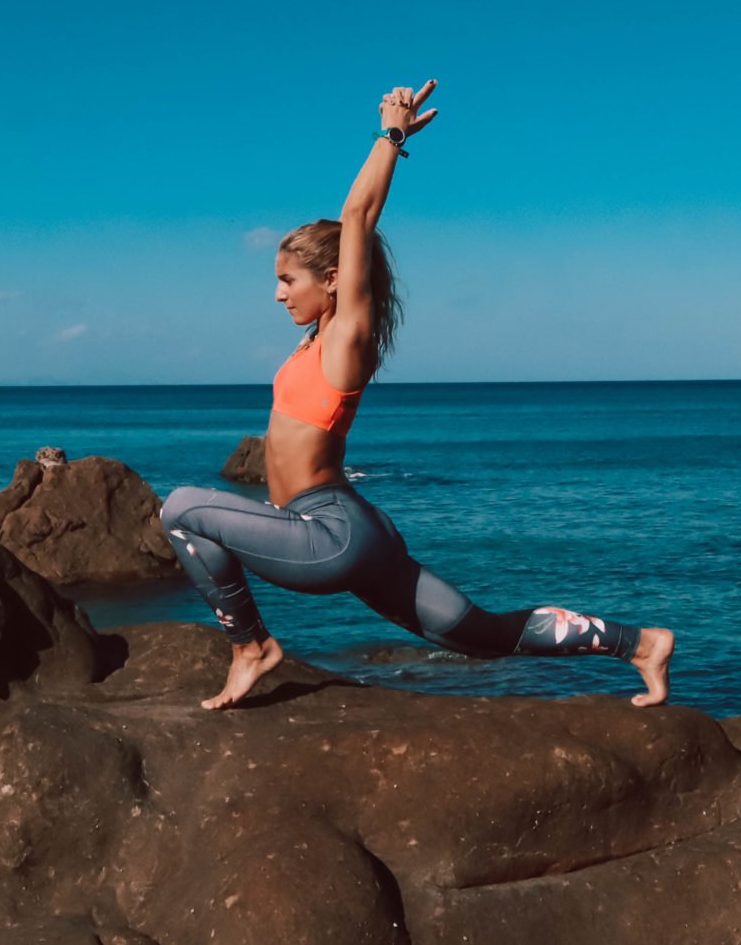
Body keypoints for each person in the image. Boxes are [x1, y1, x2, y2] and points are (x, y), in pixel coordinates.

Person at [159, 79, 675, 711]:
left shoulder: (347, 338)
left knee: (181, 505)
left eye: (287, 279)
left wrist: (390, 135)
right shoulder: (315, 340)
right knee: (477, 633)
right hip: (357, 529)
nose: (278, 294)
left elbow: (357, 218)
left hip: (328, 534)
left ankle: (252, 649)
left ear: (332, 280)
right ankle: (639, 643)